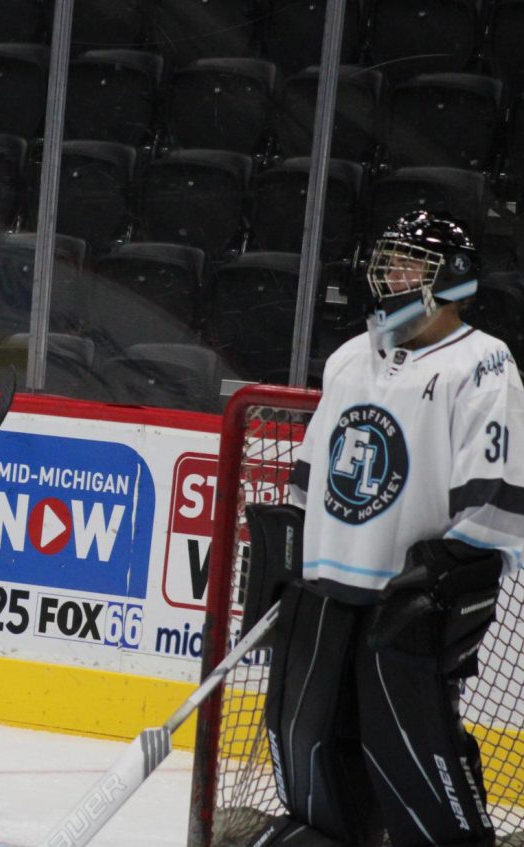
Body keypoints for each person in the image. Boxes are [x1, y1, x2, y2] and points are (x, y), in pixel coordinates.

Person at [248, 210, 524, 846]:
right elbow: (310, 479)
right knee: (311, 751)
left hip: (408, 605)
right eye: (390, 263)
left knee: (413, 757)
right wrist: (285, 558)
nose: (393, 277)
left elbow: (495, 500)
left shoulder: (483, 363)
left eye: (411, 266)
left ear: (450, 282)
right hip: (327, 595)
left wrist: (445, 582)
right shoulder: (350, 358)